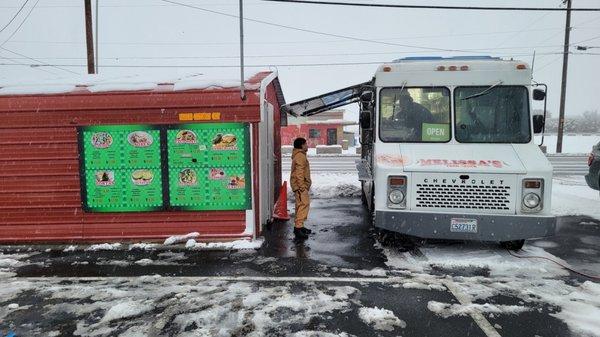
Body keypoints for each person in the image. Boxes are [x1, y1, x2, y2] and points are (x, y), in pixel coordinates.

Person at [290, 137, 312, 240]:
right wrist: (302, 187)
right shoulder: (300, 156)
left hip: (300, 186)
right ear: (302, 145)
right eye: (306, 144)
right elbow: (299, 173)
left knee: (300, 205)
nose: (307, 146)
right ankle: (298, 228)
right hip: (300, 187)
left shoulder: (300, 155)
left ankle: (300, 226)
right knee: (303, 205)